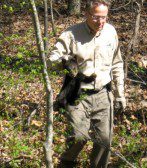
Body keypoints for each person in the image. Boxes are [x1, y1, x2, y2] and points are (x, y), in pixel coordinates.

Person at [48, 0, 126, 167]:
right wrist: (64, 62)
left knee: (105, 140)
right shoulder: (71, 34)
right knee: (79, 137)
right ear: (86, 14)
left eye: (104, 17)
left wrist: (120, 94)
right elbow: (51, 60)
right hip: (77, 94)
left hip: (103, 93)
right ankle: (67, 163)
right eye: (96, 17)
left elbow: (117, 63)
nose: (101, 22)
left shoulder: (111, 32)